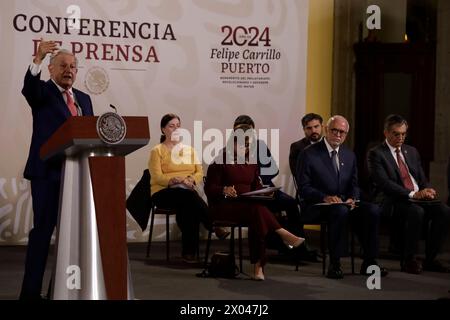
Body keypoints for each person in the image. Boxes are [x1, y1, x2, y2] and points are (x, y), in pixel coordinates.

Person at [20, 40, 94, 299]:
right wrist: (37, 58)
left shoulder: (84, 99)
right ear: (51, 69)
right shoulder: (41, 92)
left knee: (73, 237)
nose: (69, 70)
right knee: (42, 233)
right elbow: (28, 88)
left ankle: (62, 291)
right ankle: (30, 293)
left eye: (73, 66)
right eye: (63, 65)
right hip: (48, 175)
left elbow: (88, 136)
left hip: (78, 176)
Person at [204, 124, 304, 280]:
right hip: (225, 207)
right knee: (258, 212)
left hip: (248, 205)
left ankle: (260, 267)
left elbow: (256, 186)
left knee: (258, 212)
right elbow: (209, 188)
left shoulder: (251, 162)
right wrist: (223, 189)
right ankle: (274, 246)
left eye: (249, 145)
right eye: (244, 144)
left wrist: (265, 192)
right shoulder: (220, 161)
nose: (247, 148)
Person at [297, 115, 387, 279]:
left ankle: (370, 262)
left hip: (343, 203)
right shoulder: (308, 154)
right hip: (316, 205)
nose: (338, 135)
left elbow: (354, 184)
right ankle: (335, 263)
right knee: (340, 211)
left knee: (372, 210)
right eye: (335, 130)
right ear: (326, 130)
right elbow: (304, 188)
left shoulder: (349, 155)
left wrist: (353, 197)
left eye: (342, 132)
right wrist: (325, 197)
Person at [367, 114, 450, 274]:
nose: (401, 137)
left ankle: (430, 259)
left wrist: (427, 190)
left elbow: (421, 177)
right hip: (391, 199)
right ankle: (409, 260)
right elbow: (384, 184)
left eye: (404, 134)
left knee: (444, 211)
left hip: (416, 197)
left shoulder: (411, 151)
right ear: (386, 133)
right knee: (416, 211)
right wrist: (413, 194)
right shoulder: (376, 153)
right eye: (396, 134)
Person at [149, 114, 225, 263]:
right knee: (189, 198)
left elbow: (199, 172)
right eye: (171, 126)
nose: (176, 129)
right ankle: (214, 225)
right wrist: (173, 179)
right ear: (163, 129)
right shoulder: (157, 151)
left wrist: (191, 180)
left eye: (178, 126)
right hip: (163, 192)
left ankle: (189, 254)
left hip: (186, 191)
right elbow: (156, 177)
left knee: (188, 204)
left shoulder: (190, 150)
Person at [232, 116, 311, 258]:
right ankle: (280, 243)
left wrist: (261, 179)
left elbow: (273, 168)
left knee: (291, 203)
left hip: (265, 187)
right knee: (261, 208)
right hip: (246, 193)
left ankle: (298, 248)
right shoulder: (230, 150)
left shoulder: (260, 146)